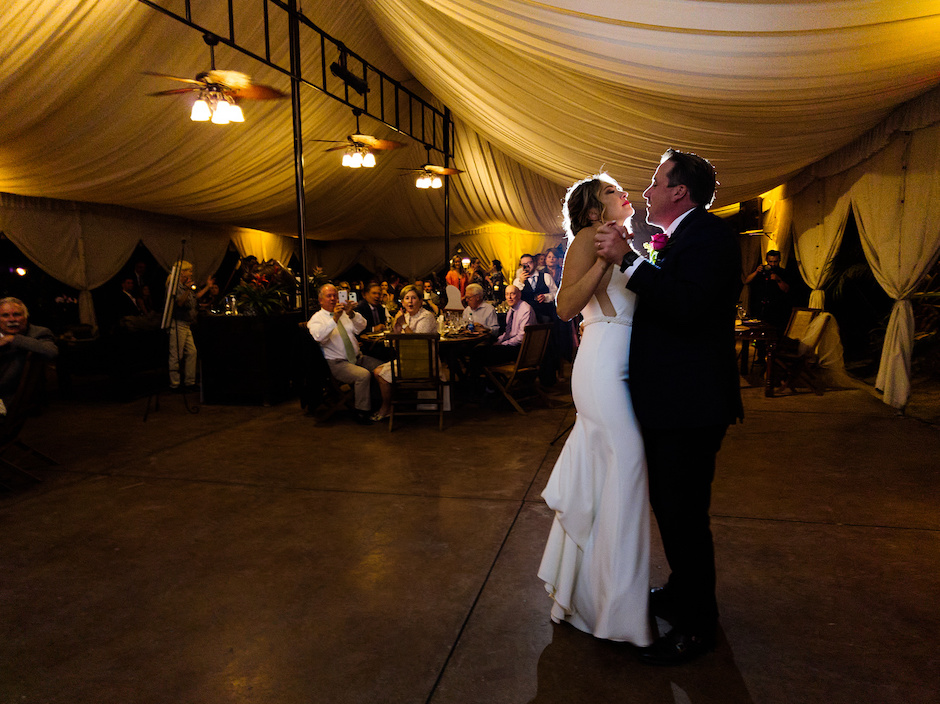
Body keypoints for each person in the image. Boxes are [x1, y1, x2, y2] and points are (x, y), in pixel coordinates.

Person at [594, 149, 743, 665]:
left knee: (684, 513)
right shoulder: (678, 237)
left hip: (692, 402)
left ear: (680, 191)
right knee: (671, 508)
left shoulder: (711, 235)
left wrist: (628, 260)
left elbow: (685, 304)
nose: (648, 189)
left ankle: (700, 623)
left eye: (657, 181)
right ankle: (683, 592)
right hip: (670, 400)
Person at [537, 173, 652, 646]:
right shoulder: (589, 238)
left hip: (627, 363)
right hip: (603, 362)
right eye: (610, 192)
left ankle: (593, 595)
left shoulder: (627, 240)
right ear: (591, 212)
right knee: (628, 468)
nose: (622, 193)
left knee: (614, 479)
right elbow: (565, 306)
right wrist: (605, 263)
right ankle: (619, 609)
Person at [307, 283, 383, 425]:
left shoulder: (345, 314)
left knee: (385, 368)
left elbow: (362, 326)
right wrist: (334, 318)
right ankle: (362, 412)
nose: (333, 299)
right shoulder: (317, 319)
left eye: (335, 295)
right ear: (320, 300)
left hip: (357, 357)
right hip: (338, 363)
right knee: (363, 375)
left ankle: (380, 404)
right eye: (328, 296)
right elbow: (319, 337)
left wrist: (351, 313)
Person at [370, 285, 438, 420]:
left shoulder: (426, 316)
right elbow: (395, 345)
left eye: (414, 298)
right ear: (402, 302)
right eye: (407, 298)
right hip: (407, 360)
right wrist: (396, 327)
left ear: (421, 301)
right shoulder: (404, 316)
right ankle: (392, 404)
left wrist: (405, 325)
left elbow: (418, 345)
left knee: (381, 374)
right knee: (376, 371)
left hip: (424, 363)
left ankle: (386, 407)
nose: (410, 301)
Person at [466, 285, 535, 386]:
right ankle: (485, 384)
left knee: (478, 354)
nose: (509, 297)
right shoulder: (512, 309)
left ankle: (478, 385)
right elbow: (508, 333)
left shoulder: (525, 310)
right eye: (507, 294)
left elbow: (521, 337)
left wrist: (503, 344)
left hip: (520, 350)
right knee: (479, 350)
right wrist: (499, 341)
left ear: (519, 295)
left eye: (512, 294)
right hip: (512, 345)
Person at [0, 297, 59, 410]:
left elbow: (51, 351)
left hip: (8, 397)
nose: (12, 319)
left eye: (17, 314)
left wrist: (13, 339)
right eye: (5, 315)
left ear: (26, 317)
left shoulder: (38, 333)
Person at [167, 261, 214, 391]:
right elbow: (180, 303)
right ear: (183, 272)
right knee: (176, 355)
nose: (191, 273)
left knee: (192, 352)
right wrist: (188, 289)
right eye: (190, 271)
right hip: (178, 323)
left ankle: (190, 381)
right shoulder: (175, 286)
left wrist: (207, 287)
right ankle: (174, 384)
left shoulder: (184, 286)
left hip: (186, 324)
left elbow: (195, 297)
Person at [744, 249, 792, 334]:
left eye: (775, 262)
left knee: (774, 332)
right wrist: (756, 272)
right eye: (770, 261)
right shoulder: (762, 271)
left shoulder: (783, 272)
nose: (773, 264)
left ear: (779, 260)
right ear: (767, 260)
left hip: (776, 309)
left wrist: (778, 279)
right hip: (760, 308)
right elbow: (746, 281)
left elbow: (786, 289)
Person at [513, 253, 558, 323]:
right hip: (526, 318)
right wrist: (521, 283)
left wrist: (546, 297)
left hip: (546, 316)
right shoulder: (517, 281)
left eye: (529, 263)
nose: (527, 266)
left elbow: (556, 294)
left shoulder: (546, 276)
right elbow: (514, 299)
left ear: (534, 263)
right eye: (524, 264)